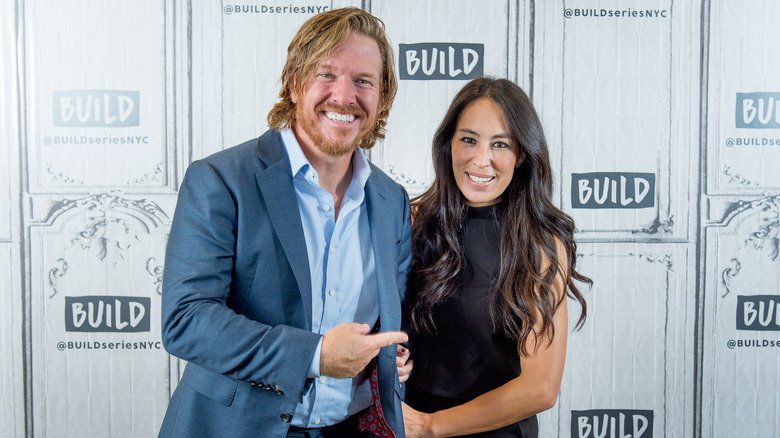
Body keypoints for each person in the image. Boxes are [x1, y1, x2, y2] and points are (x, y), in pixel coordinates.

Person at [158, 8, 413, 438]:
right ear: (295, 85)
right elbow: (186, 318)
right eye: (326, 74)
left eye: (364, 81)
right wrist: (316, 356)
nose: (344, 95)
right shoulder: (221, 180)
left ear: (382, 96)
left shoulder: (392, 201)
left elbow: (385, 325)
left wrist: (385, 359)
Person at [401, 77, 591, 438]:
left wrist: (430, 426)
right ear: (448, 145)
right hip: (406, 426)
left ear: (521, 154)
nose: (480, 159)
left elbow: (540, 388)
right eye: (468, 140)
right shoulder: (408, 220)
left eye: (500, 144)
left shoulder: (540, 245)